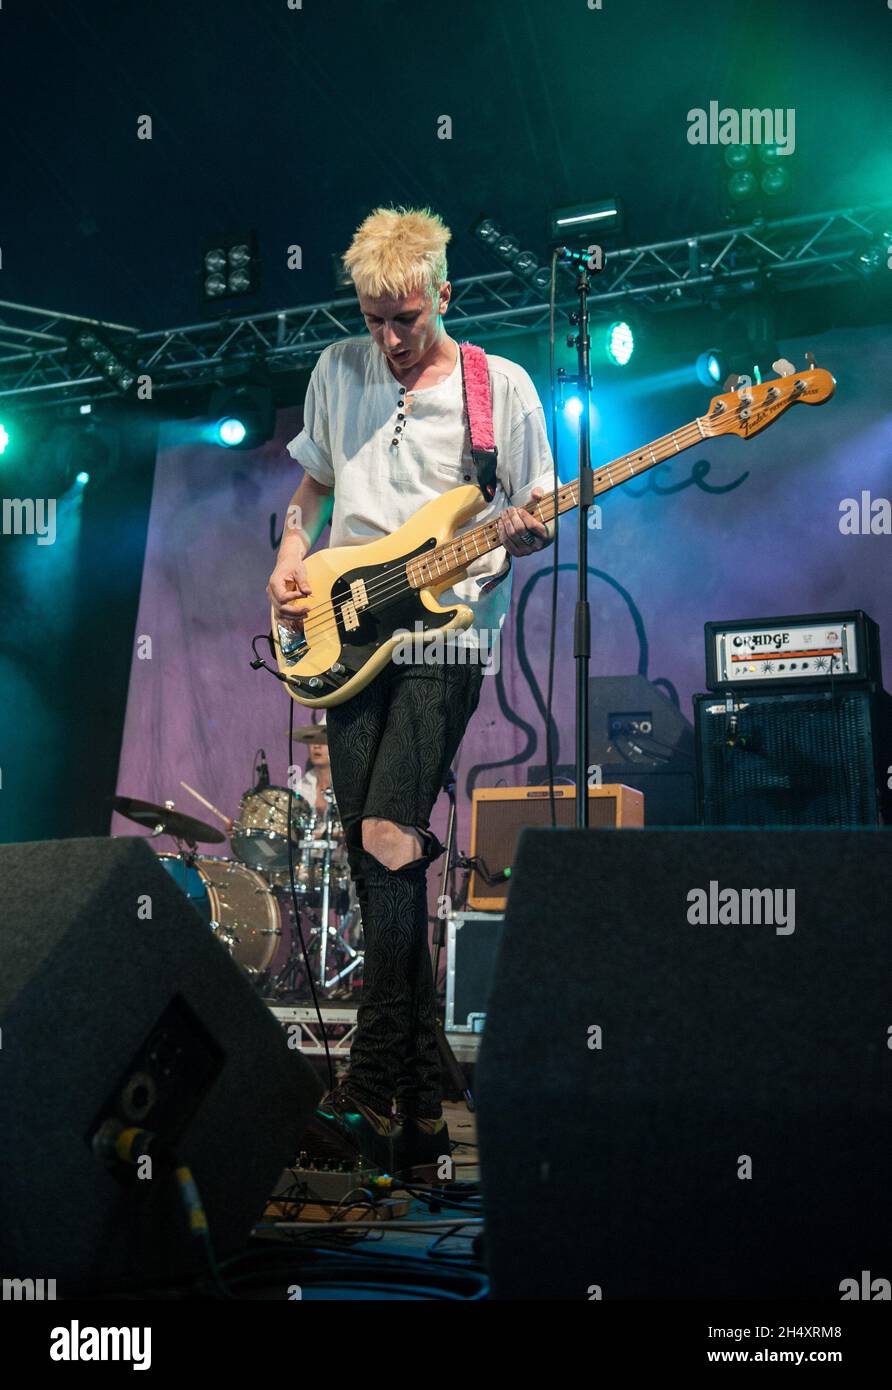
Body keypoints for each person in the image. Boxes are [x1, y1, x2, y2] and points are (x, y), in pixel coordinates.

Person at [267, 206, 555, 1176]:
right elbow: (308, 487)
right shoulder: (335, 373)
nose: (390, 339)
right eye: (374, 318)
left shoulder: (499, 389)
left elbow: (540, 502)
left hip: (446, 639)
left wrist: (528, 530)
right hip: (344, 633)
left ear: (444, 294)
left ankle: (368, 1090)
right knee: (375, 867)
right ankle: (427, 1116)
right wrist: (292, 550)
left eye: (407, 318)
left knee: (390, 836)